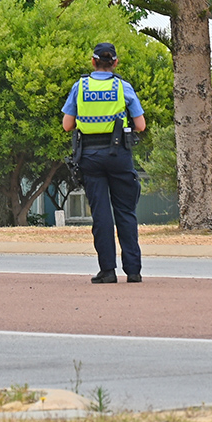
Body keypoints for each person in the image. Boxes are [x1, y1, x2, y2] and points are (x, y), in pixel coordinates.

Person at [61, 42, 147, 284]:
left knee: (101, 215)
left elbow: (67, 125)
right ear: (115, 62)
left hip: (89, 156)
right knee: (126, 213)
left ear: (93, 61)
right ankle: (133, 271)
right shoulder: (123, 87)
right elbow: (140, 125)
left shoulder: (80, 87)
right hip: (119, 154)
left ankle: (107, 270)